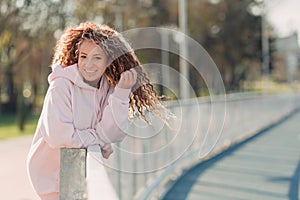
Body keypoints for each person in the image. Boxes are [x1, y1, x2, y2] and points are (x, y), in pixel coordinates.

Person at [26, 22, 162, 200]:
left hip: (80, 170)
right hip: (49, 173)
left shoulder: (107, 87)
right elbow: (59, 136)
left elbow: (114, 133)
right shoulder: (61, 85)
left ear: (108, 61)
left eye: (97, 58)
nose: (88, 64)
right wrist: (99, 140)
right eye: (83, 56)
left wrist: (121, 93)